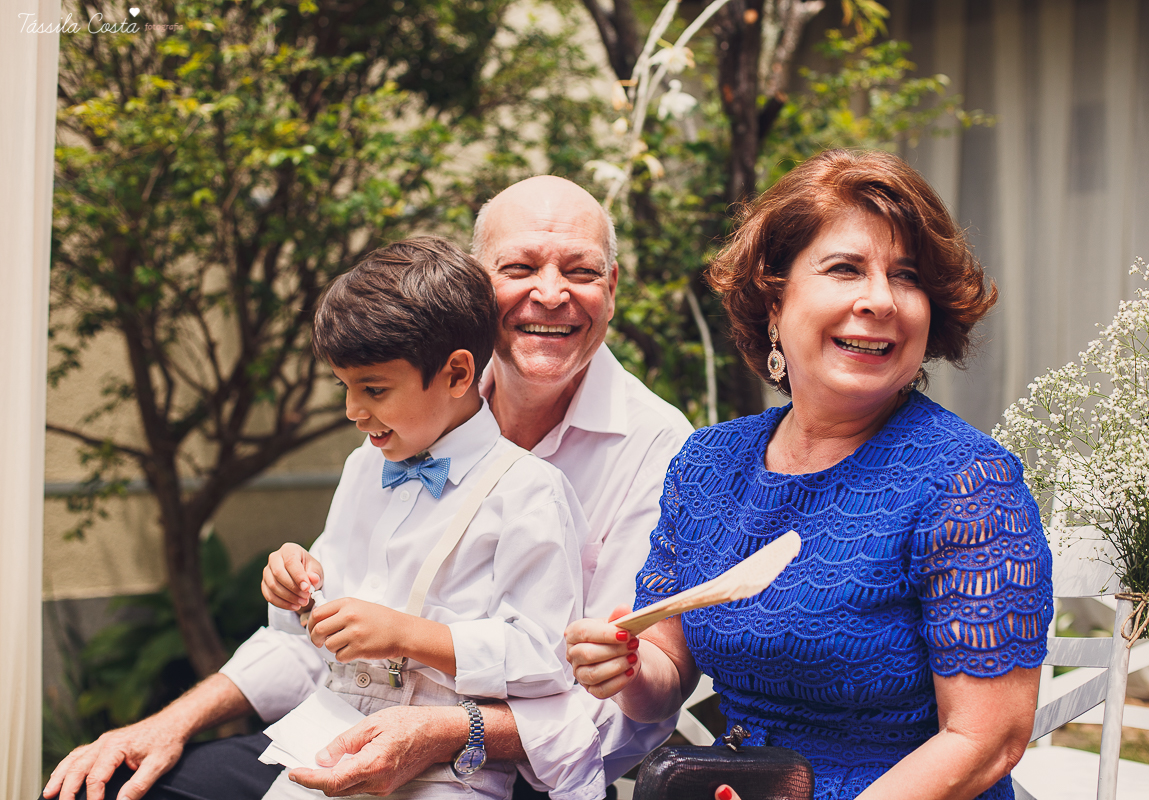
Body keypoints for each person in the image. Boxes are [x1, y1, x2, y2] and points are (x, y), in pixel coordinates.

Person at [43, 177, 693, 800]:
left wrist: (438, 724)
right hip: (348, 727)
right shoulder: (391, 435)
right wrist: (174, 717)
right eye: (519, 268)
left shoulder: (651, 450)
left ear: (610, 286)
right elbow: (313, 643)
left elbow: (597, 700)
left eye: (579, 271)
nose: (550, 294)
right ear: (475, 284)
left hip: (517, 771)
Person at [565, 149, 1054, 800]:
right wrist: (622, 668)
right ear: (774, 300)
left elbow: (984, 740)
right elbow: (664, 679)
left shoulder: (967, 482)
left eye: (905, 277)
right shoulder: (708, 465)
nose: (880, 300)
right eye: (846, 269)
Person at [252, 236, 588, 799]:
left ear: (458, 374)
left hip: (448, 772)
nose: (354, 411)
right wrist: (296, 584)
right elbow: (324, 611)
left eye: (374, 389)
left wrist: (409, 635)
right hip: (331, 741)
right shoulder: (365, 467)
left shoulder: (529, 492)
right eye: (346, 387)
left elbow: (545, 658)